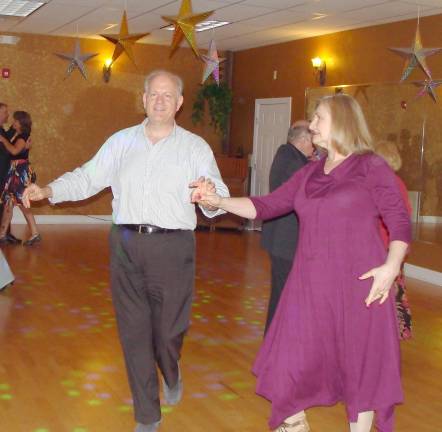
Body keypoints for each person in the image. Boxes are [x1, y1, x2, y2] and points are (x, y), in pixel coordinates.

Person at [22, 69, 229, 432]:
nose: (160, 101)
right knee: (133, 331)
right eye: (153, 94)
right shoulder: (120, 142)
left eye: (168, 95)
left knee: (167, 332)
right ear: (143, 99)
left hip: (173, 246)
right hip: (126, 245)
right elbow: (88, 177)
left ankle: (171, 369)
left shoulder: (195, 147)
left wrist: (210, 197)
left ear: (179, 103)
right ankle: (147, 415)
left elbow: (217, 200)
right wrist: (49, 191)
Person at [191, 94, 411, 432]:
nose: (311, 125)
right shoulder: (310, 172)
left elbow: (399, 220)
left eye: (318, 118)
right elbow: (265, 206)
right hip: (309, 283)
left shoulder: (370, 166)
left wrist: (391, 266)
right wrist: (218, 200)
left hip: (360, 284)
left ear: (340, 121)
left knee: (360, 368)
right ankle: (294, 424)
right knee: (286, 361)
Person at [261, 121, 314, 332]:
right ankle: (276, 342)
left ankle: (276, 342)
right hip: (286, 240)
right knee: (284, 294)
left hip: (281, 238)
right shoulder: (293, 162)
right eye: (313, 141)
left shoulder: (287, 155)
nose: (315, 147)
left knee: (282, 293)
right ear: (303, 140)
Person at [375, 140, 412, 340]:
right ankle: (391, 333)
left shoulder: (386, 183)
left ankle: (385, 334)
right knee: (393, 291)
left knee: (386, 292)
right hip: (393, 249)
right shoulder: (398, 182)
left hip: (385, 247)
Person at [0, 111, 39, 246]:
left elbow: (14, 151)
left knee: (22, 202)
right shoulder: (18, 135)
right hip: (14, 171)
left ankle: (35, 234)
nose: (13, 122)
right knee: (9, 202)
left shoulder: (23, 136)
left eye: (16, 120)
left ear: (21, 123)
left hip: (20, 171)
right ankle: (2, 234)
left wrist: (3, 139)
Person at [0, 103, 21, 244]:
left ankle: (5, 232)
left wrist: (15, 132)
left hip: (4, 171)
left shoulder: (1, 129)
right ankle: (4, 234)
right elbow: (8, 149)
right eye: (5, 112)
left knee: (5, 202)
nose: (8, 115)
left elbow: (5, 140)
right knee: (3, 202)